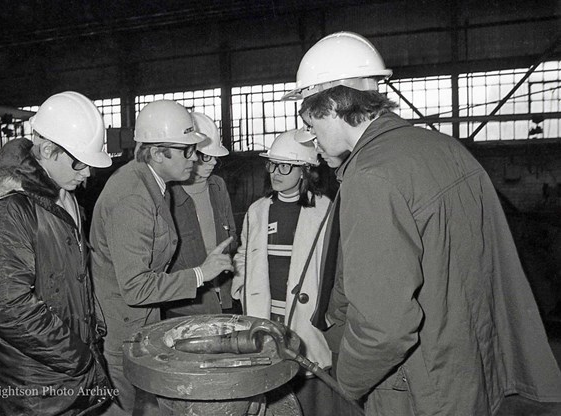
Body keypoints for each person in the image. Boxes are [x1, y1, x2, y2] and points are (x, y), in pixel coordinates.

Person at [283, 31, 561, 415]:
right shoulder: (442, 147)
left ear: (329, 105)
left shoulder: (372, 176)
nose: (310, 136)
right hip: (468, 367)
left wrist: (346, 380)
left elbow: (385, 328)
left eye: (307, 119)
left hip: (416, 385)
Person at [0, 91, 113, 415]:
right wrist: (80, 358)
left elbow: (75, 276)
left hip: (65, 376)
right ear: (47, 150)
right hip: (31, 391)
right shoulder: (6, 211)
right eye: (79, 162)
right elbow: (7, 307)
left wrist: (93, 330)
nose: (88, 173)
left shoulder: (63, 195)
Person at [89, 100, 234, 416]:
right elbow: (136, 287)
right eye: (186, 150)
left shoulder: (153, 184)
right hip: (124, 330)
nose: (194, 157)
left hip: (141, 323)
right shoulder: (132, 199)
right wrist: (200, 274)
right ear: (157, 152)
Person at [231, 128, 334, 415]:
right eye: (272, 164)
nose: (275, 172)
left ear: (305, 170)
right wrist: (241, 282)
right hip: (267, 315)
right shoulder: (257, 210)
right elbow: (244, 253)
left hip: (306, 318)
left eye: (285, 165)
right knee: (271, 388)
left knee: (309, 390)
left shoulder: (325, 210)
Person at [163, 112, 241, 317]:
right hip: (184, 306)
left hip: (223, 298)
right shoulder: (167, 193)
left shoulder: (218, 186)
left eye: (215, 157)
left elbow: (231, 236)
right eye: (207, 156)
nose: (214, 163)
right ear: (188, 154)